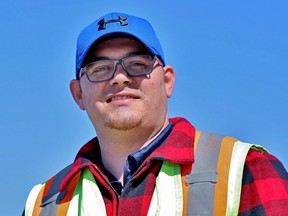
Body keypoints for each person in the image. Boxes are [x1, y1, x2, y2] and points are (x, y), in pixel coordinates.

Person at [23, 12, 288, 215]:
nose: (119, 77)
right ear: (78, 94)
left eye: (137, 64)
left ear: (167, 81)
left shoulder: (246, 169)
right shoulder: (43, 203)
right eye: (100, 69)